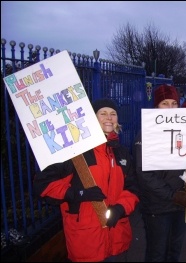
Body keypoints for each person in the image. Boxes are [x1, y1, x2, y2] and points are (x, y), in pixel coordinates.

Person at [33, 98, 140, 262]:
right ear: (92, 118)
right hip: (86, 241)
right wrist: (78, 193)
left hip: (117, 236)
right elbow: (43, 185)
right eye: (103, 113)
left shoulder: (122, 153)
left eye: (113, 114)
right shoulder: (75, 153)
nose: (109, 117)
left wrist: (120, 208)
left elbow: (132, 188)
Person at [133, 84, 186, 262]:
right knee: (157, 253)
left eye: (174, 103)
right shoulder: (146, 135)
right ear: (156, 107)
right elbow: (144, 175)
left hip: (181, 204)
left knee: (174, 251)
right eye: (165, 103)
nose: (171, 108)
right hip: (158, 206)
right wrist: (172, 195)